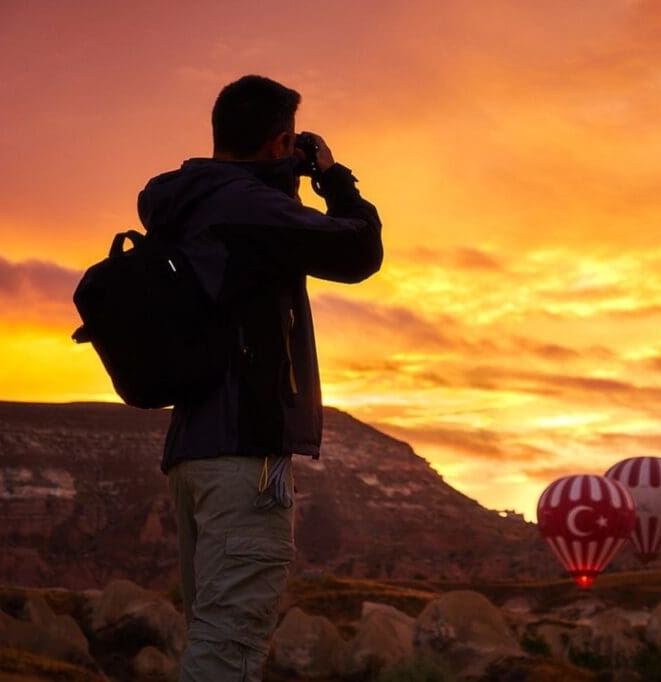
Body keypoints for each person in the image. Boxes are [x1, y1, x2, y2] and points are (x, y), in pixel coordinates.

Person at [136, 74, 382, 680]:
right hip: (246, 456)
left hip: (194, 451)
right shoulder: (248, 208)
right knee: (230, 648)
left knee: (212, 637)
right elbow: (359, 251)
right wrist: (332, 178)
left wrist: (282, 177)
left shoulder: (187, 202)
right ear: (279, 142)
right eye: (290, 141)